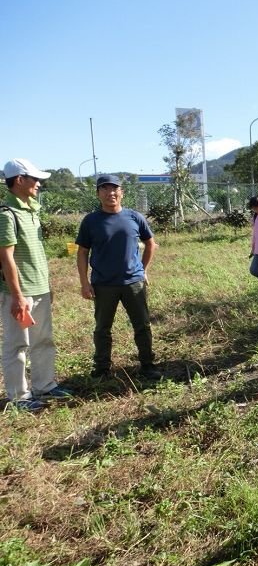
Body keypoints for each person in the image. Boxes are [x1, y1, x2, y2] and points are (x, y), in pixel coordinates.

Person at [76, 175, 161, 380]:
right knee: (102, 328)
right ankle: (102, 369)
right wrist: (84, 282)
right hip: (103, 285)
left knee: (142, 325)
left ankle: (148, 365)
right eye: (104, 189)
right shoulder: (91, 221)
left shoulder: (134, 217)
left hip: (133, 282)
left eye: (114, 189)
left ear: (121, 193)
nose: (110, 193)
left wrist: (143, 269)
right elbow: (82, 253)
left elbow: (150, 243)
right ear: (98, 194)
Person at [0, 159, 69, 412]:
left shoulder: (32, 211)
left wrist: (46, 285)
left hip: (39, 288)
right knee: (17, 345)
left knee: (43, 340)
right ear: (20, 180)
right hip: (21, 292)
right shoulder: (7, 215)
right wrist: (17, 295)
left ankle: (45, 385)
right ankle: (19, 398)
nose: (38, 184)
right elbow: (6, 257)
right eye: (34, 179)